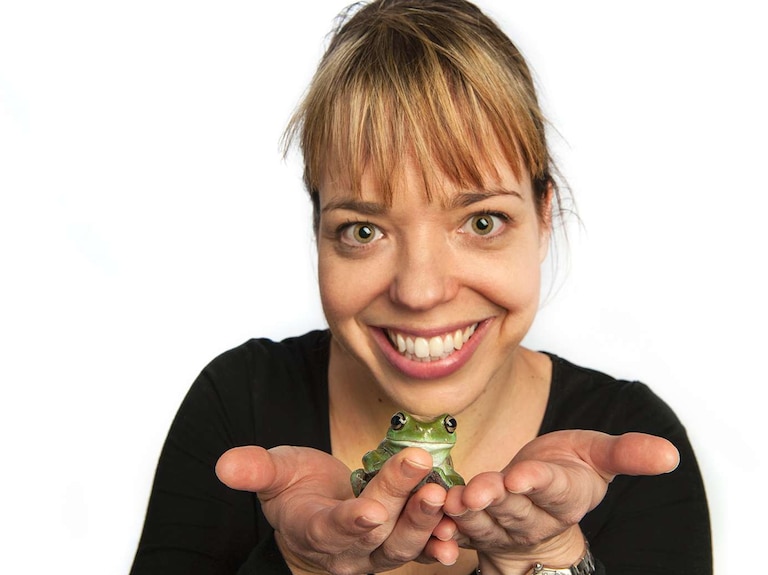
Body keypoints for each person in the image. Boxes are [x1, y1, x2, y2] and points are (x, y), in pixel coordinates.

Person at [131, 1, 712, 574]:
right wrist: (298, 567)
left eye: (482, 222)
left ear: (544, 219)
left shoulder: (631, 445)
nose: (420, 292)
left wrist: (549, 562)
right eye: (363, 230)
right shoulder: (240, 407)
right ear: (317, 234)